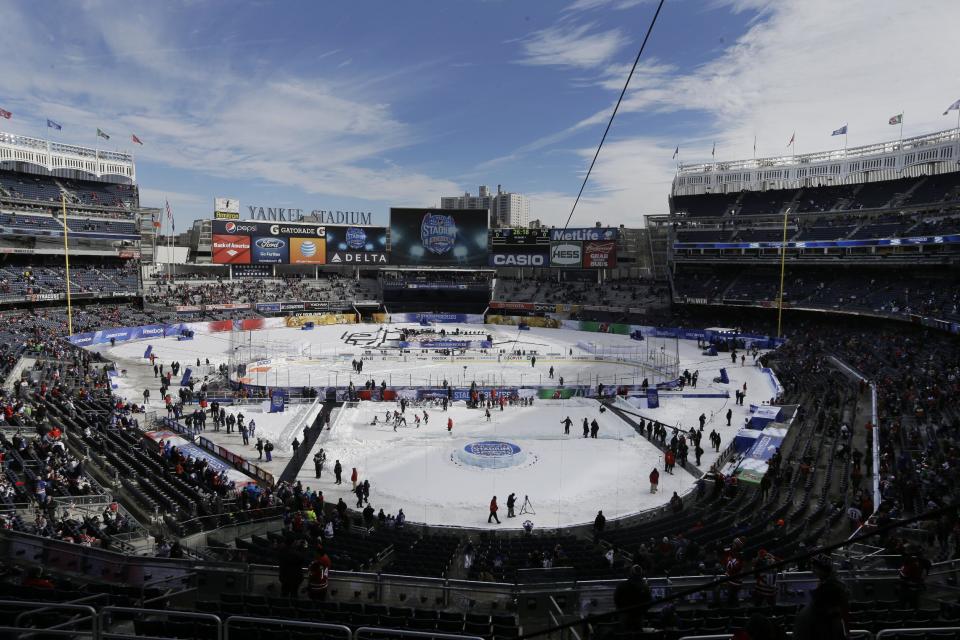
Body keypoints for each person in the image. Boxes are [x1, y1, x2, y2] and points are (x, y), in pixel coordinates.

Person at [794, 555, 849, 640]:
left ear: (822, 570)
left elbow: (840, 611)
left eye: (815, 568)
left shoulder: (830, 588)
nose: (813, 570)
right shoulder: (830, 582)